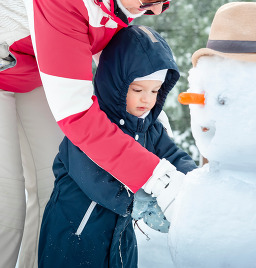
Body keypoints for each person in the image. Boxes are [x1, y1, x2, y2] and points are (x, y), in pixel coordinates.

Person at [0, 0, 176, 267]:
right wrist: (160, 180)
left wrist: (153, 122)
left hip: (36, 74)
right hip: (15, 68)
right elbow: (79, 116)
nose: (153, 11)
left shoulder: (118, 7)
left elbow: (117, 74)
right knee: (7, 206)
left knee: (54, 190)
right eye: (150, 1)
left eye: (165, 4)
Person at [38, 25, 197, 267]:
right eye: (138, 89)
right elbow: (94, 178)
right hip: (74, 234)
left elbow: (172, 155)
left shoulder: (148, 127)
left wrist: (193, 182)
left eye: (155, 91)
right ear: (116, 82)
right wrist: (138, 204)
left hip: (120, 237)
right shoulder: (90, 127)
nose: (147, 99)